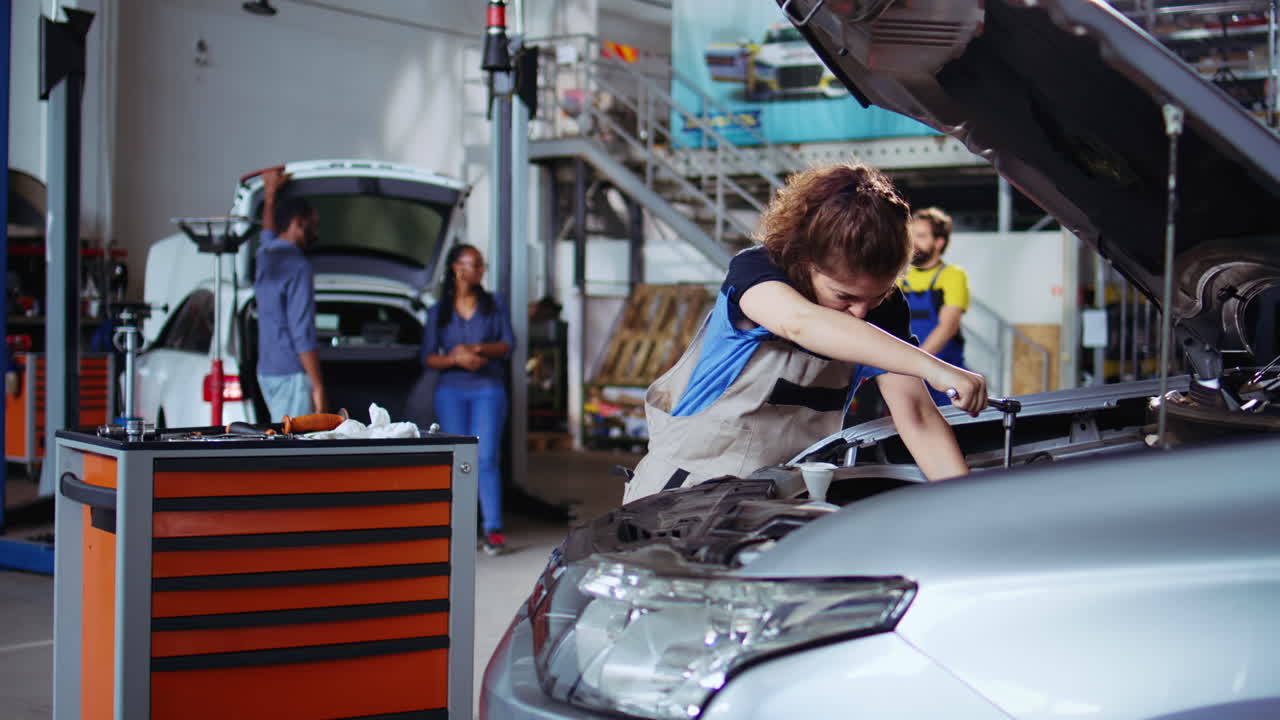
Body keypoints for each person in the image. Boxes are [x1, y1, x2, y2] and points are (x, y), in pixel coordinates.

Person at [623, 163, 987, 503]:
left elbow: (918, 417)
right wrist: (933, 367)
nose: (861, 313)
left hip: (785, 497)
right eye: (844, 297)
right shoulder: (758, 272)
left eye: (875, 297)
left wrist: (966, 503)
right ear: (805, 261)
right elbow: (801, 323)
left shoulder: (884, 309)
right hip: (685, 493)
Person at [422, 244, 516, 555]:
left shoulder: (494, 304)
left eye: (481, 264)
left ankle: (493, 528)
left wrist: (476, 350)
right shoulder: (438, 311)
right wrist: (455, 359)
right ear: (457, 268)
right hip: (451, 391)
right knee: (458, 460)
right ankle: (459, 527)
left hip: (488, 389)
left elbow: (508, 344)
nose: (480, 270)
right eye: (474, 264)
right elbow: (428, 357)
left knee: (486, 458)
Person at [254, 166, 327, 418]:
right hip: (291, 372)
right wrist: (318, 386)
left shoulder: (265, 254)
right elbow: (301, 332)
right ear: (298, 223)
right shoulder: (298, 266)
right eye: (313, 225)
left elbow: (267, 232)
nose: (317, 233)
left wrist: (270, 194)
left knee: (280, 433)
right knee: (295, 439)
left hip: (267, 370)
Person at [901, 206, 970, 406]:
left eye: (921, 236)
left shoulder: (953, 275)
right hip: (908, 374)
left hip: (944, 377)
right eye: (911, 235)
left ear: (939, 242)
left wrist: (915, 364)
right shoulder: (899, 276)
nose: (913, 242)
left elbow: (948, 327)